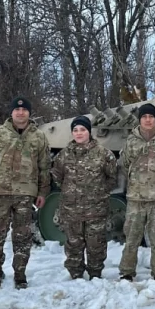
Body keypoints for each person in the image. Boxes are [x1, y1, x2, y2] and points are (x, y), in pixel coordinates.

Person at [0, 96, 51, 292]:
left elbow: (44, 166)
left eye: (24, 110)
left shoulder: (39, 137)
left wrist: (43, 191)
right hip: (0, 192)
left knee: (23, 236)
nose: (20, 113)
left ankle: (20, 274)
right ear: (11, 112)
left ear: (29, 113)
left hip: (26, 195)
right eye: (17, 110)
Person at [51, 116, 117, 280]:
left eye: (82, 129)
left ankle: (95, 275)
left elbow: (112, 178)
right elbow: (58, 177)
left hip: (96, 210)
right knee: (73, 245)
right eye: (75, 130)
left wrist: (99, 193)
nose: (79, 133)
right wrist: (71, 192)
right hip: (71, 210)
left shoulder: (103, 154)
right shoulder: (64, 155)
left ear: (89, 132)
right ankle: (75, 275)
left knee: (96, 246)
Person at [118, 102, 155, 283]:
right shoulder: (132, 140)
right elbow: (124, 164)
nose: (148, 120)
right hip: (136, 197)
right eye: (144, 117)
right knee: (131, 237)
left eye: (151, 117)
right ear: (140, 119)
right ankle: (127, 272)